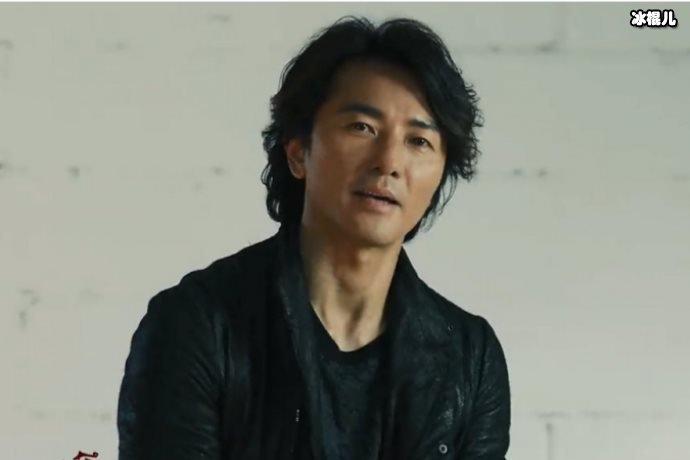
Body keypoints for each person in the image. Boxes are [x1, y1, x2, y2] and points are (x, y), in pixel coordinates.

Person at [117, 16, 511, 460]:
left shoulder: (469, 358)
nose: (389, 162)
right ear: (298, 152)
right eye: (362, 127)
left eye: (419, 141)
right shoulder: (197, 325)